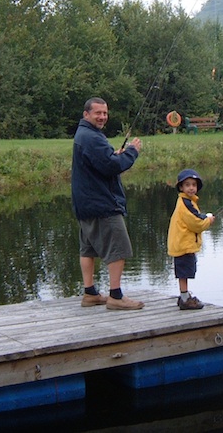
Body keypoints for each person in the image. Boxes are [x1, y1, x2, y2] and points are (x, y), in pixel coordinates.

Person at [71, 97, 144, 310]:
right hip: (101, 203)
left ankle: (90, 293)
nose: (102, 117)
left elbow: (102, 162)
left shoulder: (85, 134)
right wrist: (131, 152)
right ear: (86, 114)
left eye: (105, 113)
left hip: (85, 203)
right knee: (118, 248)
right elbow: (111, 167)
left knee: (88, 248)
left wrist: (112, 155)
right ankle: (115, 296)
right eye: (98, 113)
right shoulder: (91, 137)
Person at [167, 168, 215, 310]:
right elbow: (196, 223)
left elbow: (196, 216)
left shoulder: (188, 202)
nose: (191, 188)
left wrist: (205, 217)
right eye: (187, 185)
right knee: (184, 272)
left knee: (185, 272)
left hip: (183, 244)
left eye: (193, 185)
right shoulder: (185, 203)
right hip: (184, 245)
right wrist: (208, 221)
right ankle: (184, 299)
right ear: (181, 187)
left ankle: (184, 296)